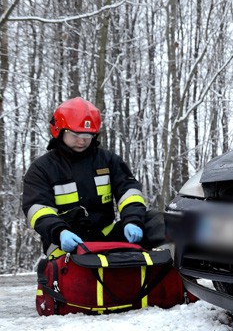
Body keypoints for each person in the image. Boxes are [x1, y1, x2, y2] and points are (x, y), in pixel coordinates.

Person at [22, 97, 159, 257]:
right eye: (75, 134)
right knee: (79, 276)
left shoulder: (108, 161)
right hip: (64, 243)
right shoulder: (42, 169)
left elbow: (129, 192)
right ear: (58, 131)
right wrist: (60, 232)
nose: (82, 140)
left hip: (105, 236)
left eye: (88, 135)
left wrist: (133, 220)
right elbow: (38, 209)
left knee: (159, 221)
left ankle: (181, 273)